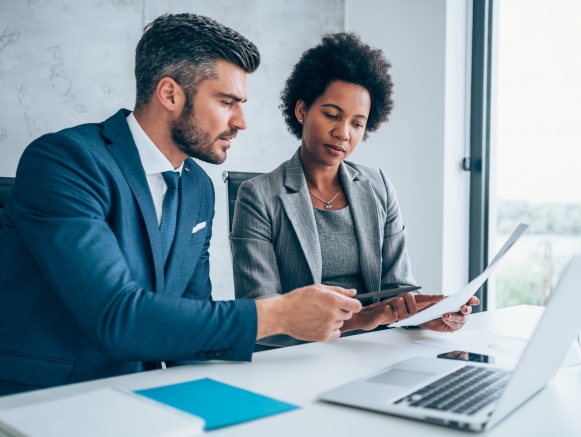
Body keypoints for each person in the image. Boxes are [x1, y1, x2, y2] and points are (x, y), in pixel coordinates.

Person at [0, 14, 368, 396]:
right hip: (44, 401)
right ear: (170, 94)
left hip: (144, 397)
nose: (241, 121)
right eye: (227, 102)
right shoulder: (64, 162)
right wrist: (278, 315)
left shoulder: (198, 188)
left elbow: (192, 322)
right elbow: (116, 318)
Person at [231, 33, 478, 348]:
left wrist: (425, 313)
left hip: (372, 350)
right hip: (296, 358)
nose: (342, 133)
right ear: (302, 110)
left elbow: (398, 289)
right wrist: (364, 318)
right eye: (332, 115)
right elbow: (259, 314)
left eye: (357, 124)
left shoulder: (378, 187)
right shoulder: (259, 196)